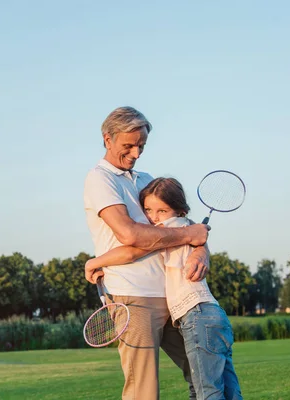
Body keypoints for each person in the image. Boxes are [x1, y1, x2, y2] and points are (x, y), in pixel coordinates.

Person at [83, 106, 210, 400]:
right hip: (133, 297)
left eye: (141, 146)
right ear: (108, 139)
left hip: (176, 294)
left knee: (205, 372)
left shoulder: (146, 179)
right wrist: (188, 236)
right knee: (144, 390)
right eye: (129, 145)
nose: (136, 153)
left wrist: (201, 250)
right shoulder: (100, 179)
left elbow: (185, 223)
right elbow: (129, 234)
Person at [86, 177, 243, 400]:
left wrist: (94, 262)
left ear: (179, 211)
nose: (153, 217)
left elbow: (132, 251)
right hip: (212, 313)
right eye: (148, 210)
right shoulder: (188, 227)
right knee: (227, 388)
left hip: (196, 315)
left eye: (162, 210)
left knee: (206, 392)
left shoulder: (172, 229)